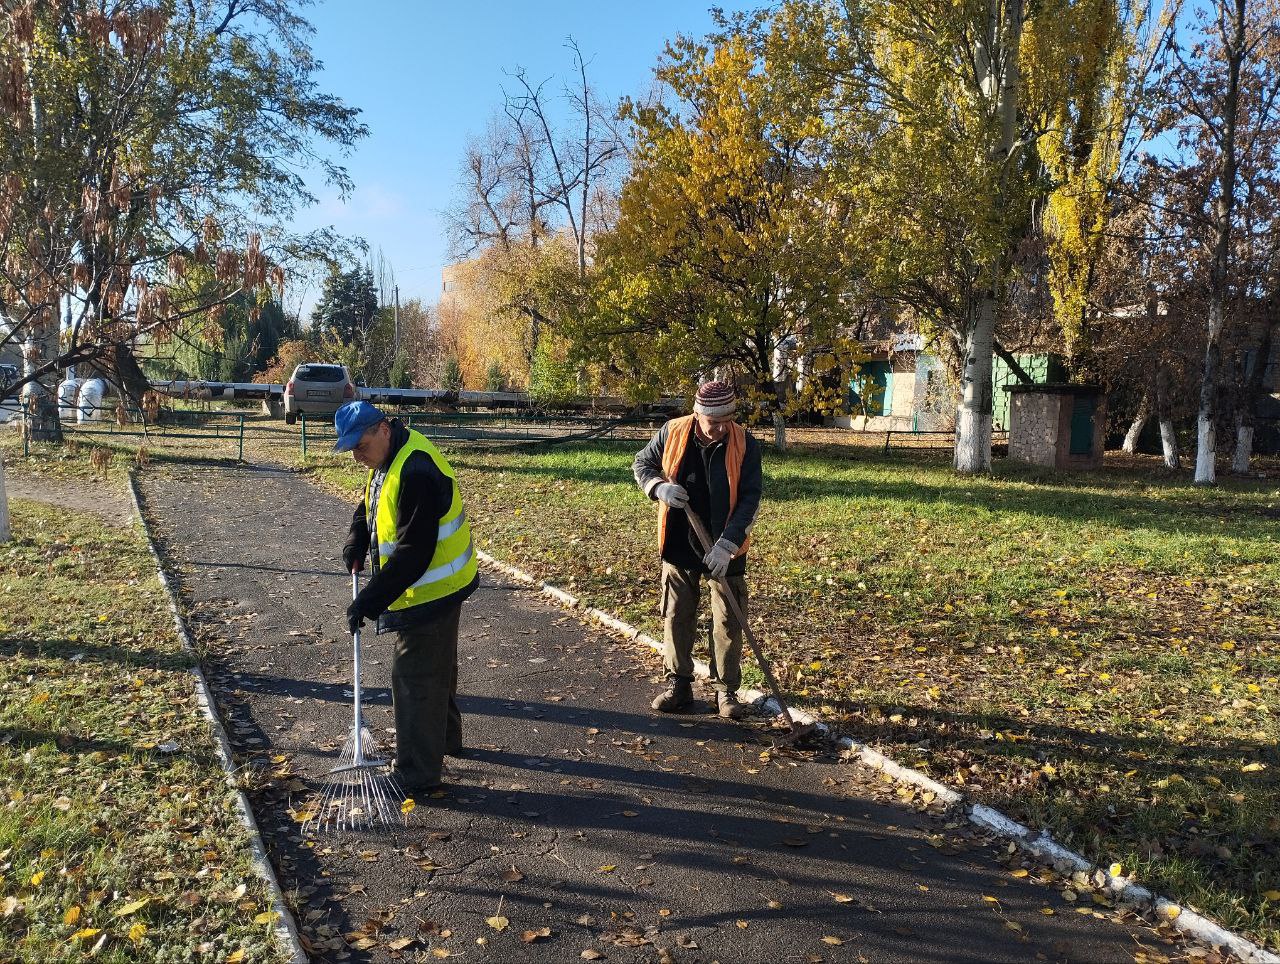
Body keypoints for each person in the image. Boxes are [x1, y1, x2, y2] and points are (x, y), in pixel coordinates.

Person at [335, 400, 479, 793]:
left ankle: (416, 772)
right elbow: (371, 500)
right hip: (439, 583)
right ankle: (445, 739)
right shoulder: (389, 456)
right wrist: (357, 538)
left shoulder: (415, 468)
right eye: (351, 450)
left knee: (413, 675)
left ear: (382, 428)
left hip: (433, 588)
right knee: (438, 666)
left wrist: (368, 601)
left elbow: (414, 552)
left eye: (360, 446)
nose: (357, 457)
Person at [632, 381, 763, 719]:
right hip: (679, 540)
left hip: (725, 548)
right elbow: (642, 464)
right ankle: (678, 684)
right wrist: (658, 488)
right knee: (677, 615)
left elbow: (749, 499)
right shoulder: (672, 432)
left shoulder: (744, 443)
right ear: (697, 413)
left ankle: (726, 692)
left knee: (729, 621)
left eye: (727, 420)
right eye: (713, 422)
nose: (721, 428)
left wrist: (727, 545)